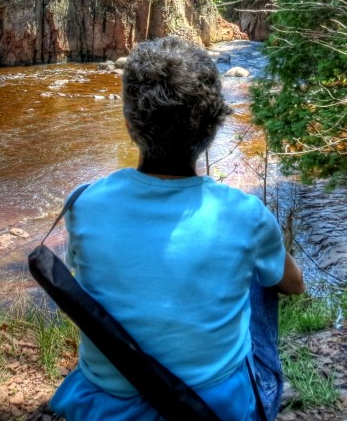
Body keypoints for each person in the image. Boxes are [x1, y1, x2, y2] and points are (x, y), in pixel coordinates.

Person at [50, 36, 305, 421]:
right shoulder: (244, 214)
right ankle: (265, 391)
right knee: (259, 275)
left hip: (104, 406)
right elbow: (293, 285)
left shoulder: (84, 202)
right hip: (215, 409)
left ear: (129, 123)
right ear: (214, 126)